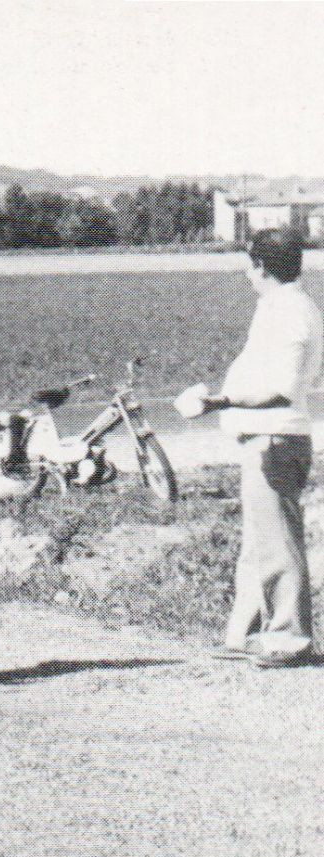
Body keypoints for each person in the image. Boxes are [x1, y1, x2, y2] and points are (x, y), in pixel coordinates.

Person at [201, 229, 323, 668]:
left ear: (261, 267)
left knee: (278, 542)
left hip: (276, 438)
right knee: (259, 542)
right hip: (266, 437)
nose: (247, 271)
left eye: (250, 262)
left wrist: (220, 400)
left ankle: (290, 639)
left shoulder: (289, 311)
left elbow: (282, 389)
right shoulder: (281, 306)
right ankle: (247, 635)